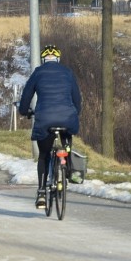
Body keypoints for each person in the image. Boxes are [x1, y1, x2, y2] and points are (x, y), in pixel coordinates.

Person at [17, 44, 82, 209]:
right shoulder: (67, 72)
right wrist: (75, 113)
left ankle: (41, 193)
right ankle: (66, 165)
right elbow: (77, 98)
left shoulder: (38, 73)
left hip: (44, 119)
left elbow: (26, 95)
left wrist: (24, 111)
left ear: (43, 59)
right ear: (58, 59)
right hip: (67, 118)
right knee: (67, 137)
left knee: (44, 155)